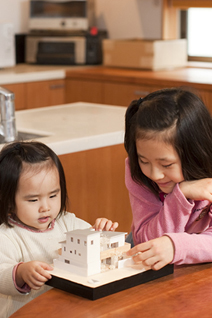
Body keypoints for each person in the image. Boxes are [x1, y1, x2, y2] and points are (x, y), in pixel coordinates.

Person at [0, 141, 118, 318]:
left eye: (53, 195)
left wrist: (101, 231)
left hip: (66, 310)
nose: (45, 207)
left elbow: (91, 241)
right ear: (8, 201)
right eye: (33, 200)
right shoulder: (7, 236)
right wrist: (20, 272)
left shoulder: (67, 222)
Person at [124, 87, 212, 271]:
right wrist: (182, 195)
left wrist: (175, 246)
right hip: (151, 263)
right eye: (144, 160)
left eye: (166, 165)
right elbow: (146, 239)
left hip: (193, 264)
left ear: (195, 153)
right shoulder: (138, 173)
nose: (155, 175)